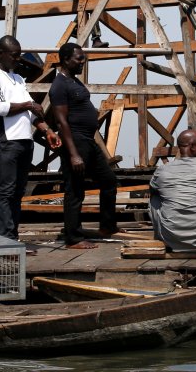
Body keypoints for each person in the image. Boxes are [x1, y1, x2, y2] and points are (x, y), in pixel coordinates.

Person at [0, 36, 61, 243]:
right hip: (6, 141)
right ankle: (6, 240)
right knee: (6, 191)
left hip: (25, 141)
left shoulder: (17, 78)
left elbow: (32, 114)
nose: (18, 59)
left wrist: (48, 131)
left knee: (17, 192)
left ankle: (13, 239)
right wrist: (27, 105)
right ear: (1, 53)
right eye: (14, 56)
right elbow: (0, 108)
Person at [49, 43, 118, 249]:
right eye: (78, 59)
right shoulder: (59, 85)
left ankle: (107, 226)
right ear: (65, 60)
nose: (82, 62)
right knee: (75, 190)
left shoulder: (74, 82)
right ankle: (74, 238)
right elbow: (61, 122)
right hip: (76, 142)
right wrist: (73, 154)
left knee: (109, 180)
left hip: (88, 140)